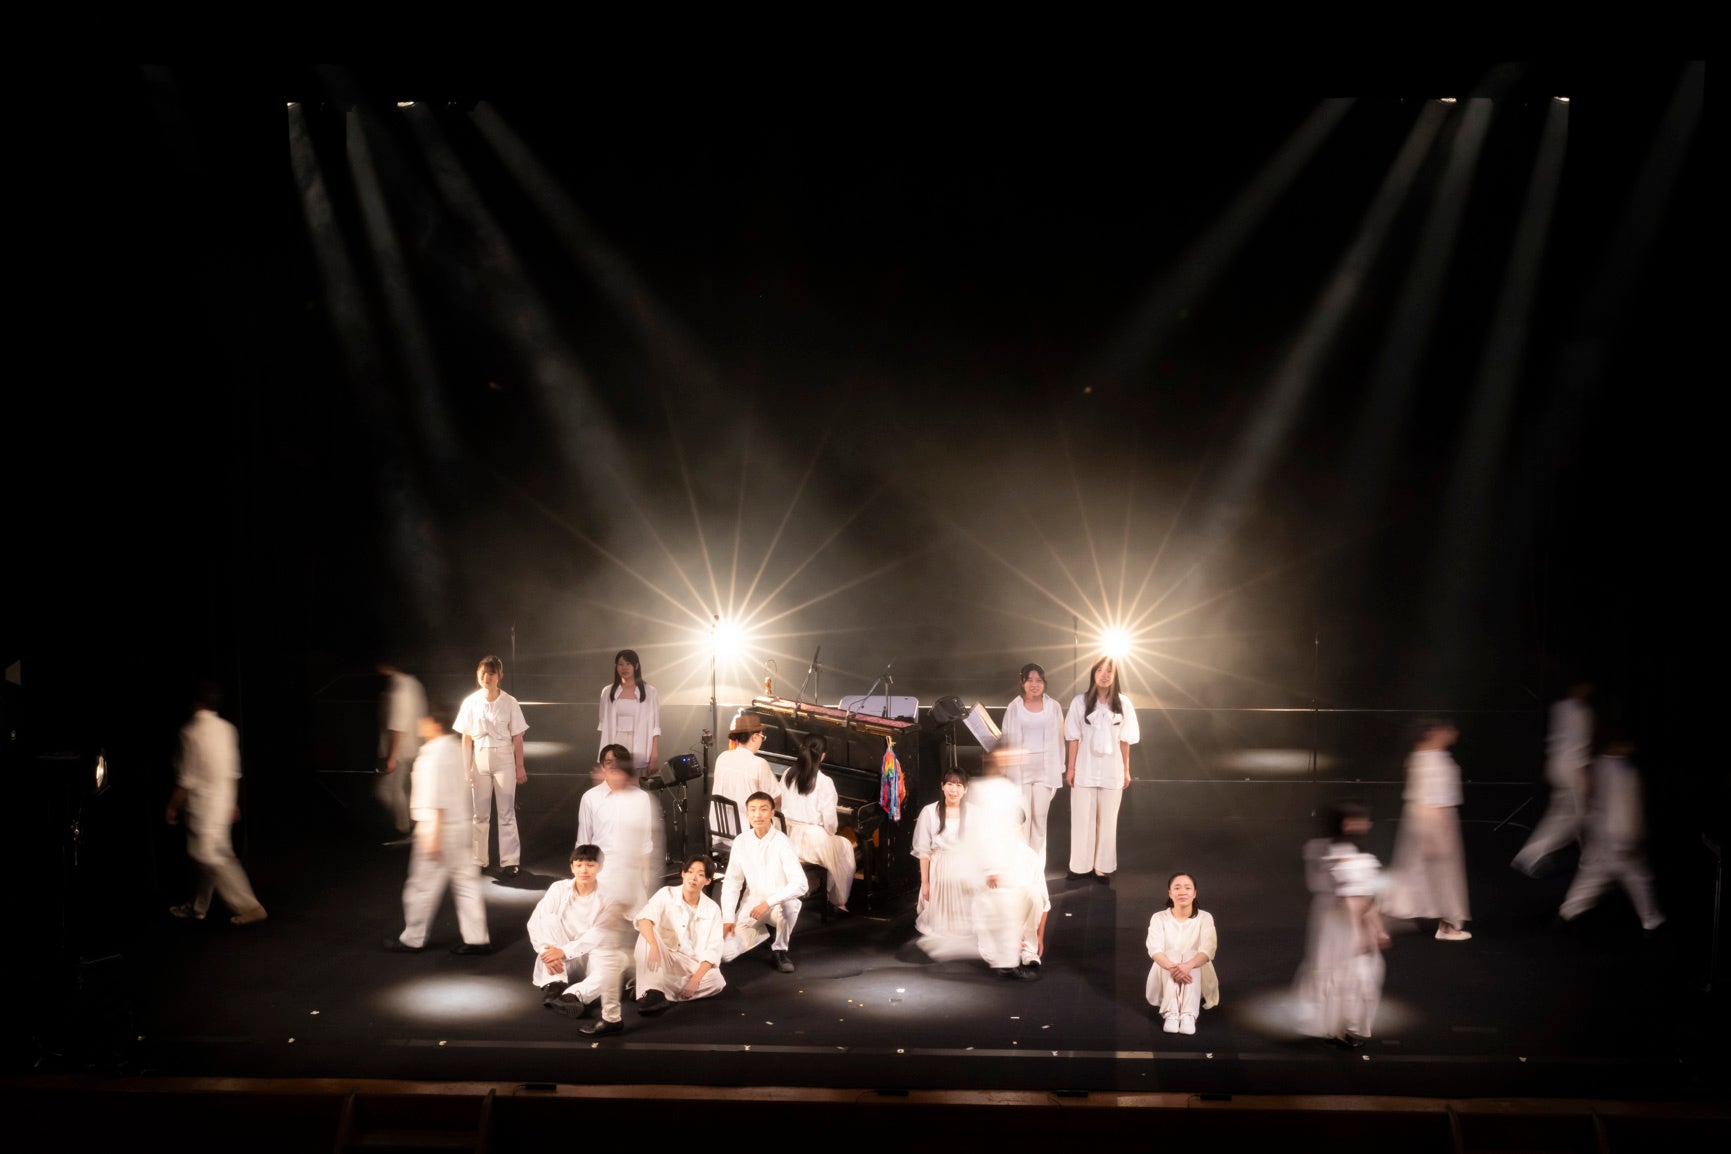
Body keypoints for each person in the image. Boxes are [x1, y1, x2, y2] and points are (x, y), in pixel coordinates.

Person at [386, 703, 490, 955]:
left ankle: (413, 938)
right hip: (461, 825)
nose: (420, 725)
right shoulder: (456, 749)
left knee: (422, 886)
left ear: (434, 723)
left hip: (439, 828)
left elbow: (435, 796)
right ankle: (477, 938)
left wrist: (432, 836)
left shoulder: (433, 754)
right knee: (466, 884)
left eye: (423, 721)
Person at [165, 682, 268, 926]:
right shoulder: (227, 729)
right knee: (208, 856)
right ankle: (197, 907)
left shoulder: (190, 732)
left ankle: (249, 905)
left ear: (194, 703)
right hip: (221, 803)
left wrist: (172, 806)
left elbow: (186, 779)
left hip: (202, 807)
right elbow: (233, 773)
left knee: (206, 854)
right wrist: (232, 803)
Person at [1293, 804, 1389, 1048]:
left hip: (1325, 914)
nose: (1366, 824)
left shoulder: (1317, 847)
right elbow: (1352, 896)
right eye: (1361, 820)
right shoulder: (1348, 855)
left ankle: (1327, 1023)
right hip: (1341, 918)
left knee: (1326, 964)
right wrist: (1367, 930)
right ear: (1347, 824)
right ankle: (1337, 1028)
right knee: (1344, 968)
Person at [1557, 727, 1664, 932]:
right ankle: (1652, 921)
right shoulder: (1624, 772)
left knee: (1594, 876)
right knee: (1637, 878)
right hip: (1618, 835)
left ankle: (1569, 911)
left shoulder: (1599, 765)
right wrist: (1629, 838)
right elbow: (1624, 808)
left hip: (1601, 832)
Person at [1383, 718, 1472, 941]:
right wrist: (1433, 835)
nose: (1452, 732)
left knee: (1421, 872)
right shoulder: (1428, 760)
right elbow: (1425, 800)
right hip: (1431, 821)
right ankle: (1446, 925)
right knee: (1433, 874)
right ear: (1433, 732)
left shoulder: (1429, 757)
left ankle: (1444, 923)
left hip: (1436, 820)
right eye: (1446, 729)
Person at [529, 845, 633, 1035]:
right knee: (548, 920)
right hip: (558, 958)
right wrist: (546, 953)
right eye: (579, 865)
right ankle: (556, 983)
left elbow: (598, 933)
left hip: (589, 956)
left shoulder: (608, 896)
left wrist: (564, 951)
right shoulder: (558, 889)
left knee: (620, 960)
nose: (584, 870)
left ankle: (573, 996)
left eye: (590, 865)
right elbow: (535, 922)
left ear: (600, 867)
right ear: (572, 867)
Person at [968, 751, 1046, 979]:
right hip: (994, 918)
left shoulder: (1029, 855)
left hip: (1020, 921)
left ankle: (1027, 952)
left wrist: (1038, 937)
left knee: (1033, 894)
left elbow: (1043, 901)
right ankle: (1006, 955)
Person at [1064, 656, 1140, 882]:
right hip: (1085, 767)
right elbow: (1073, 738)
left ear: (1115, 675)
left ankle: (1102, 866)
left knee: (1108, 821)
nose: (1104, 675)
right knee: (1082, 819)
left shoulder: (1124, 703)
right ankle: (1080, 866)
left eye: (1109, 671)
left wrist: (1126, 770)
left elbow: (1125, 740)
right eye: (1100, 670)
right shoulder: (1079, 702)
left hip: (1112, 769)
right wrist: (1071, 768)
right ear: (1093, 674)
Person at [455, 655, 529, 878]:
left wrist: (519, 766)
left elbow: (517, 736)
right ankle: (479, 859)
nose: (487, 677)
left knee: (506, 812)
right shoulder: (470, 702)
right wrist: (466, 768)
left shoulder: (510, 702)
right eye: (483, 673)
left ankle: (510, 861)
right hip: (479, 757)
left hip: (504, 757)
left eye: (491, 673)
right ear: (478, 675)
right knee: (480, 813)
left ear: (500, 675)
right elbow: (466, 738)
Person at [1512, 680, 1594, 877]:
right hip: (1572, 768)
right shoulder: (1582, 712)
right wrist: (1583, 771)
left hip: (1557, 765)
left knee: (1563, 814)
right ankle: (1533, 854)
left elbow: (1555, 739)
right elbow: (1578, 744)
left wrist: (1551, 766)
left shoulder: (1559, 707)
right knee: (1578, 815)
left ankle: (1585, 858)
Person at [720, 792, 806, 972]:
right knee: (726, 954)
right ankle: (765, 933)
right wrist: (728, 917)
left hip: (778, 906)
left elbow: (801, 883)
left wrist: (768, 903)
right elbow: (732, 882)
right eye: (752, 810)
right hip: (752, 906)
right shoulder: (741, 841)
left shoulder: (782, 841)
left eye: (763, 809)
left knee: (790, 905)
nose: (757, 815)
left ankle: (779, 949)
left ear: (772, 813)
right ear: (747, 813)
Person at [634, 854, 728, 1015]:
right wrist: (655, 946)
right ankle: (653, 991)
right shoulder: (666, 893)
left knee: (717, 982)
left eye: (700, 874)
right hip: (664, 955)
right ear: (683, 874)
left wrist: (695, 980)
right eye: (690, 872)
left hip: (690, 963)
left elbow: (714, 949)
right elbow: (643, 919)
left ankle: (650, 989)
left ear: (707, 881)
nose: (693, 877)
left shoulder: (713, 909)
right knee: (646, 935)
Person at [779, 735, 854, 911]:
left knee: (835, 848)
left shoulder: (787, 774)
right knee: (845, 847)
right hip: (811, 842)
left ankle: (815, 888)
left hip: (785, 836)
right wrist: (832, 832)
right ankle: (836, 899)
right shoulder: (824, 782)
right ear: (823, 756)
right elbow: (830, 823)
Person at [575, 747, 658, 907]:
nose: (613, 766)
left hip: (631, 873)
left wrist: (645, 876)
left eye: (618, 762)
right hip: (600, 872)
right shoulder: (590, 798)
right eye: (608, 762)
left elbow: (645, 842)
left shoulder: (641, 798)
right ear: (602, 766)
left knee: (638, 918)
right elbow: (583, 842)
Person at [1000, 663, 1065, 857]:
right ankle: (1022, 864)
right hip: (1020, 771)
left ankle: (1036, 865)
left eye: (1038, 680)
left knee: (1039, 819)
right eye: (1029, 680)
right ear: (1022, 682)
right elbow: (1006, 739)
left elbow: (1060, 739)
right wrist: (1005, 770)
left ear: (1044, 683)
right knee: (1023, 820)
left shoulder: (1053, 707)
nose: (1034, 684)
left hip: (1045, 771)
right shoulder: (1014, 707)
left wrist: (1061, 767)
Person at [911, 768, 975, 960]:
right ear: (942, 786)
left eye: (958, 785)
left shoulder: (973, 812)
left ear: (965, 790)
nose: (954, 789)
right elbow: (924, 851)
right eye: (950, 784)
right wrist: (925, 882)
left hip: (964, 869)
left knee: (965, 926)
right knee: (939, 926)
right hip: (939, 868)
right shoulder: (930, 811)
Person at [1144, 872, 1218, 1035]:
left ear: (1194, 893)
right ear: (1170, 893)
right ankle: (1171, 1012)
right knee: (1172, 954)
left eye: (1187, 888)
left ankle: (1188, 1014)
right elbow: (1155, 949)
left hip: (1196, 971)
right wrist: (1173, 967)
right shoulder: (1159, 918)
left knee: (1192, 954)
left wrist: (1188, 965)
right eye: (1177, 888)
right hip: (1166, 970)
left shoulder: (1205, 918)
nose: (1182, 892)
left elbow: (1208, 949)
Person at [376, 662, 427, 844]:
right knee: (404, 789)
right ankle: (412, 826)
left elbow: (398, 725)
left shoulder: (400, 689)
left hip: (401, 750)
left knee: (388, 790)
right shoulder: (414, 684)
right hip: (414, 747)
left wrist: (392, 755)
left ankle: (404, 829)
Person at [711, 711, 778, 832]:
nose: (762, 740)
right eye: (762, 737)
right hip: (746, 832)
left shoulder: (722, 757)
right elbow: (775, 797)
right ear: (754, 737)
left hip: (719, 829)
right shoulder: (759, 763)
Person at [597, 649, 661, 776]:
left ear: (636, 666)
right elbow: (603, 726)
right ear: (616, 667)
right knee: (616, 779)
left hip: (640, 744)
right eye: (620, 664)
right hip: (616, 743)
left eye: (628, 664)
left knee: (636, 782)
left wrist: (654, 756)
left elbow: (655, 727)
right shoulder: (607, 692)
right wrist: (603, 755)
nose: (624, 668)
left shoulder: (650, 692)